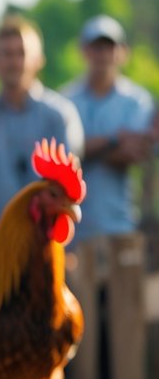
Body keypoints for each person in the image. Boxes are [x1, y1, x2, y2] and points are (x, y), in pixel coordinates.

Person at [0, 16, 84, 253]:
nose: (14, 61)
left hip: (45, 248)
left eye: (21, 53)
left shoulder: (60, 115)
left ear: (38, 60)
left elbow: (68, 190)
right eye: (6, 53)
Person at [62, 15, 155, 244]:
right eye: (96, 47)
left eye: (109, 47)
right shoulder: (65, 100)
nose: (102, 54)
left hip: (122, 225)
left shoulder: (137, 100)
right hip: (74, 229)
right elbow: (66, 154)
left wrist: (85, 149)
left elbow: (134, 153)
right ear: (84, 51)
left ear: (122, 51)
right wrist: (115, 139)